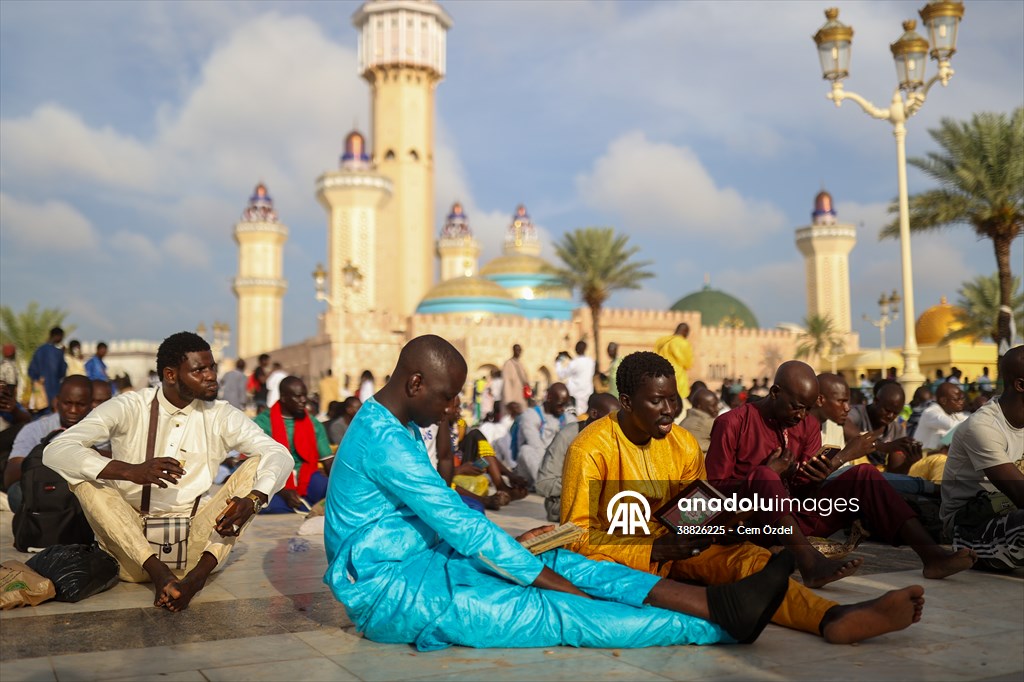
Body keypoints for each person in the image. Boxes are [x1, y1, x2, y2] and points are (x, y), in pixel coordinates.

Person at [323, 334, 797, 651]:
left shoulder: (396, 424)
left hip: (435, 561)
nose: (453, 407)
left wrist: (533, 558)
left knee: (566, 562)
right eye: (447, 397)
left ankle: (718, 603)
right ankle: (711, 627)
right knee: (553, 609)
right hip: (395, 593)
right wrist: (539, 576)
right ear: (415, 383)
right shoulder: (381, 440)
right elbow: (457, 520)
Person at [562, 352, 925, 644]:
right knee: (599, 573)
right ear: (626, 401)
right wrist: (653, 551)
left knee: (752, 563)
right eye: (657, 402)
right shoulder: (591, 449)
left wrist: (720, 523)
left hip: (677, 548)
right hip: (617, 558)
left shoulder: (682, 443)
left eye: (673, 400)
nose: (670, 411)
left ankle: (831, 617)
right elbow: (575, 535)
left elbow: (691, 509)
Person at [44, 331, 293, 612]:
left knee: (258, 466)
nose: (211, 376)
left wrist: (256, 498)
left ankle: (194, 582)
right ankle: (159, 572)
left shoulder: (220, 414)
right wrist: (129, 471)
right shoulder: (130, 406)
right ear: (171, 375)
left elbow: (279, 454)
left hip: (196, 549)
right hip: (130, 552)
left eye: (212, 367)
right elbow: (56, 449)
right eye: (199, 370)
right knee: (83, 478)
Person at [705, 360, 976, 587]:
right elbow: (716, 491)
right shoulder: (732, 423)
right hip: (749, 522)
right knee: (765, 478)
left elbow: (804, 491)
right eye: (796, 406)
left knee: (865, 474)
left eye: (807, 409)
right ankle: (810, 564)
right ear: (775, 392)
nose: (801, 416)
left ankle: (932, 557)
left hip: (792, 518)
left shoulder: (807, 426)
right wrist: (765, 474)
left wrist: (818, 476)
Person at [941, 346, 1024, 570]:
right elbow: (1020, 493)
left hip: (1011, 513)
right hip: (970, 525)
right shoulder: (982, 427)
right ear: (1021, 385)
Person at [5, 375, 93, 511]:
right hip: (46, 490)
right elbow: (11, 474)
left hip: (84, 493)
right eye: (67, 403)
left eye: (80, 405)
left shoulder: (103, 430)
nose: (73, 410)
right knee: (17, 492)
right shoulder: (35, 429)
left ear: (91, 405)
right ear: (56, 402)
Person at [535, 393, 620, 522]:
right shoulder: (568, 435)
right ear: (594, 414)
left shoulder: (612, 437)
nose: (615, 425)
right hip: (563, 504)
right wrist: (586, 483)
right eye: (609, 419)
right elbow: (543, 484)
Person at [254, 376, 332, 513]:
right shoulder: (263, 423)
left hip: (307, 477)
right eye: (298, 396)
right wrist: (282, 490)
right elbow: (254, 465)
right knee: (270, 507)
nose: (304, 400)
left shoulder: (313, 423)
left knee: (327, 489)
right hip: (274, 480)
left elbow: (328, 462)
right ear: (283, 398)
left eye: (304, 396)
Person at [513, 383, 569, 487]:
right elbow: (536, 447)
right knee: (526, 450)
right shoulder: (530, 415)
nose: (563, 409)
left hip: (555, 469)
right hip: (532, 467)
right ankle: (546, 486)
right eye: (560, 404)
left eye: (565, 405)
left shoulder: (567, 418)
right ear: (549, 398)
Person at [915, 382, 968, 452]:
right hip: (924, 456)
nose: (961, 402)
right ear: (943, 401)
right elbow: (952, 425)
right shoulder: (930, 413)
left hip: (937, 455)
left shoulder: (953, 414)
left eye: (962, 399)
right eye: (956, 400)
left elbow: (967, 421)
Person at [28, 327, 67, 409]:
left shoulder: (39, 350)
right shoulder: (58, 353)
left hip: (39, 391)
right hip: (53, 390)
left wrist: (38, 380)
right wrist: (62, 354)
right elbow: (62, 372)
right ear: (58, 336)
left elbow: (31, 370)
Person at [655, 323, 693, 404]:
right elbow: (688, 363)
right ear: (686, 332)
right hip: (678, 378)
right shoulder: (682, 342)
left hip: (660, 376)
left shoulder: (661, 341)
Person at [678, 387, 719, 453]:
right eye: (712, 406)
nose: (717, 409)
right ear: (699, 406)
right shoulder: (707, 422)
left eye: (717, 405)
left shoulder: (684, 422)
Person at [559, 340, 595, 412]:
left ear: (576, 349)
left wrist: (559, 360)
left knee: (576, 415)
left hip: (575, 395)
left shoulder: (574, 363)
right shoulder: (591, 361)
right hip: (587, 392)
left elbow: (562, 374)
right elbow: (580, 367)